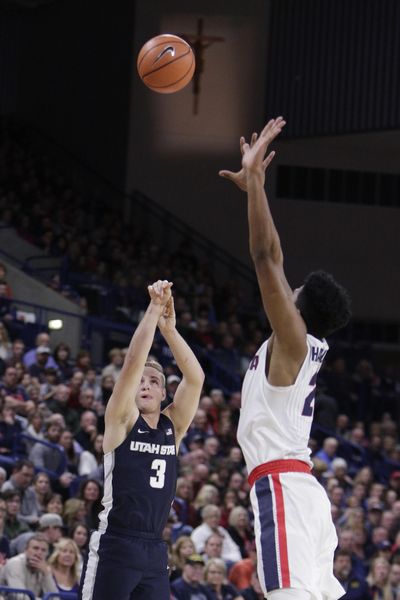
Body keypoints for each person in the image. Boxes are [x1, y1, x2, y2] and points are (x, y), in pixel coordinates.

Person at [220, 117, 351, 600]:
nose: (286, 284)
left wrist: (254, 180)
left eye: (293, 290)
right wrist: (255, 190)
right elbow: (274, 253)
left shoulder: (293, 341)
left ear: (300, 308)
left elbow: (262, 258)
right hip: (304, 493)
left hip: (283, 490)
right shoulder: (301, 344)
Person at [79, 279, 204, 600]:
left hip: (154, 547)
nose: (145, 385)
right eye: (141, 382)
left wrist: (170, 329)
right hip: (115, 543)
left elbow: (196, 378)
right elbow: (133, 363)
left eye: (154, 381)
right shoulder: (120, 420)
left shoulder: (172, 426)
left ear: (164, 393)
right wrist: (153, 308)